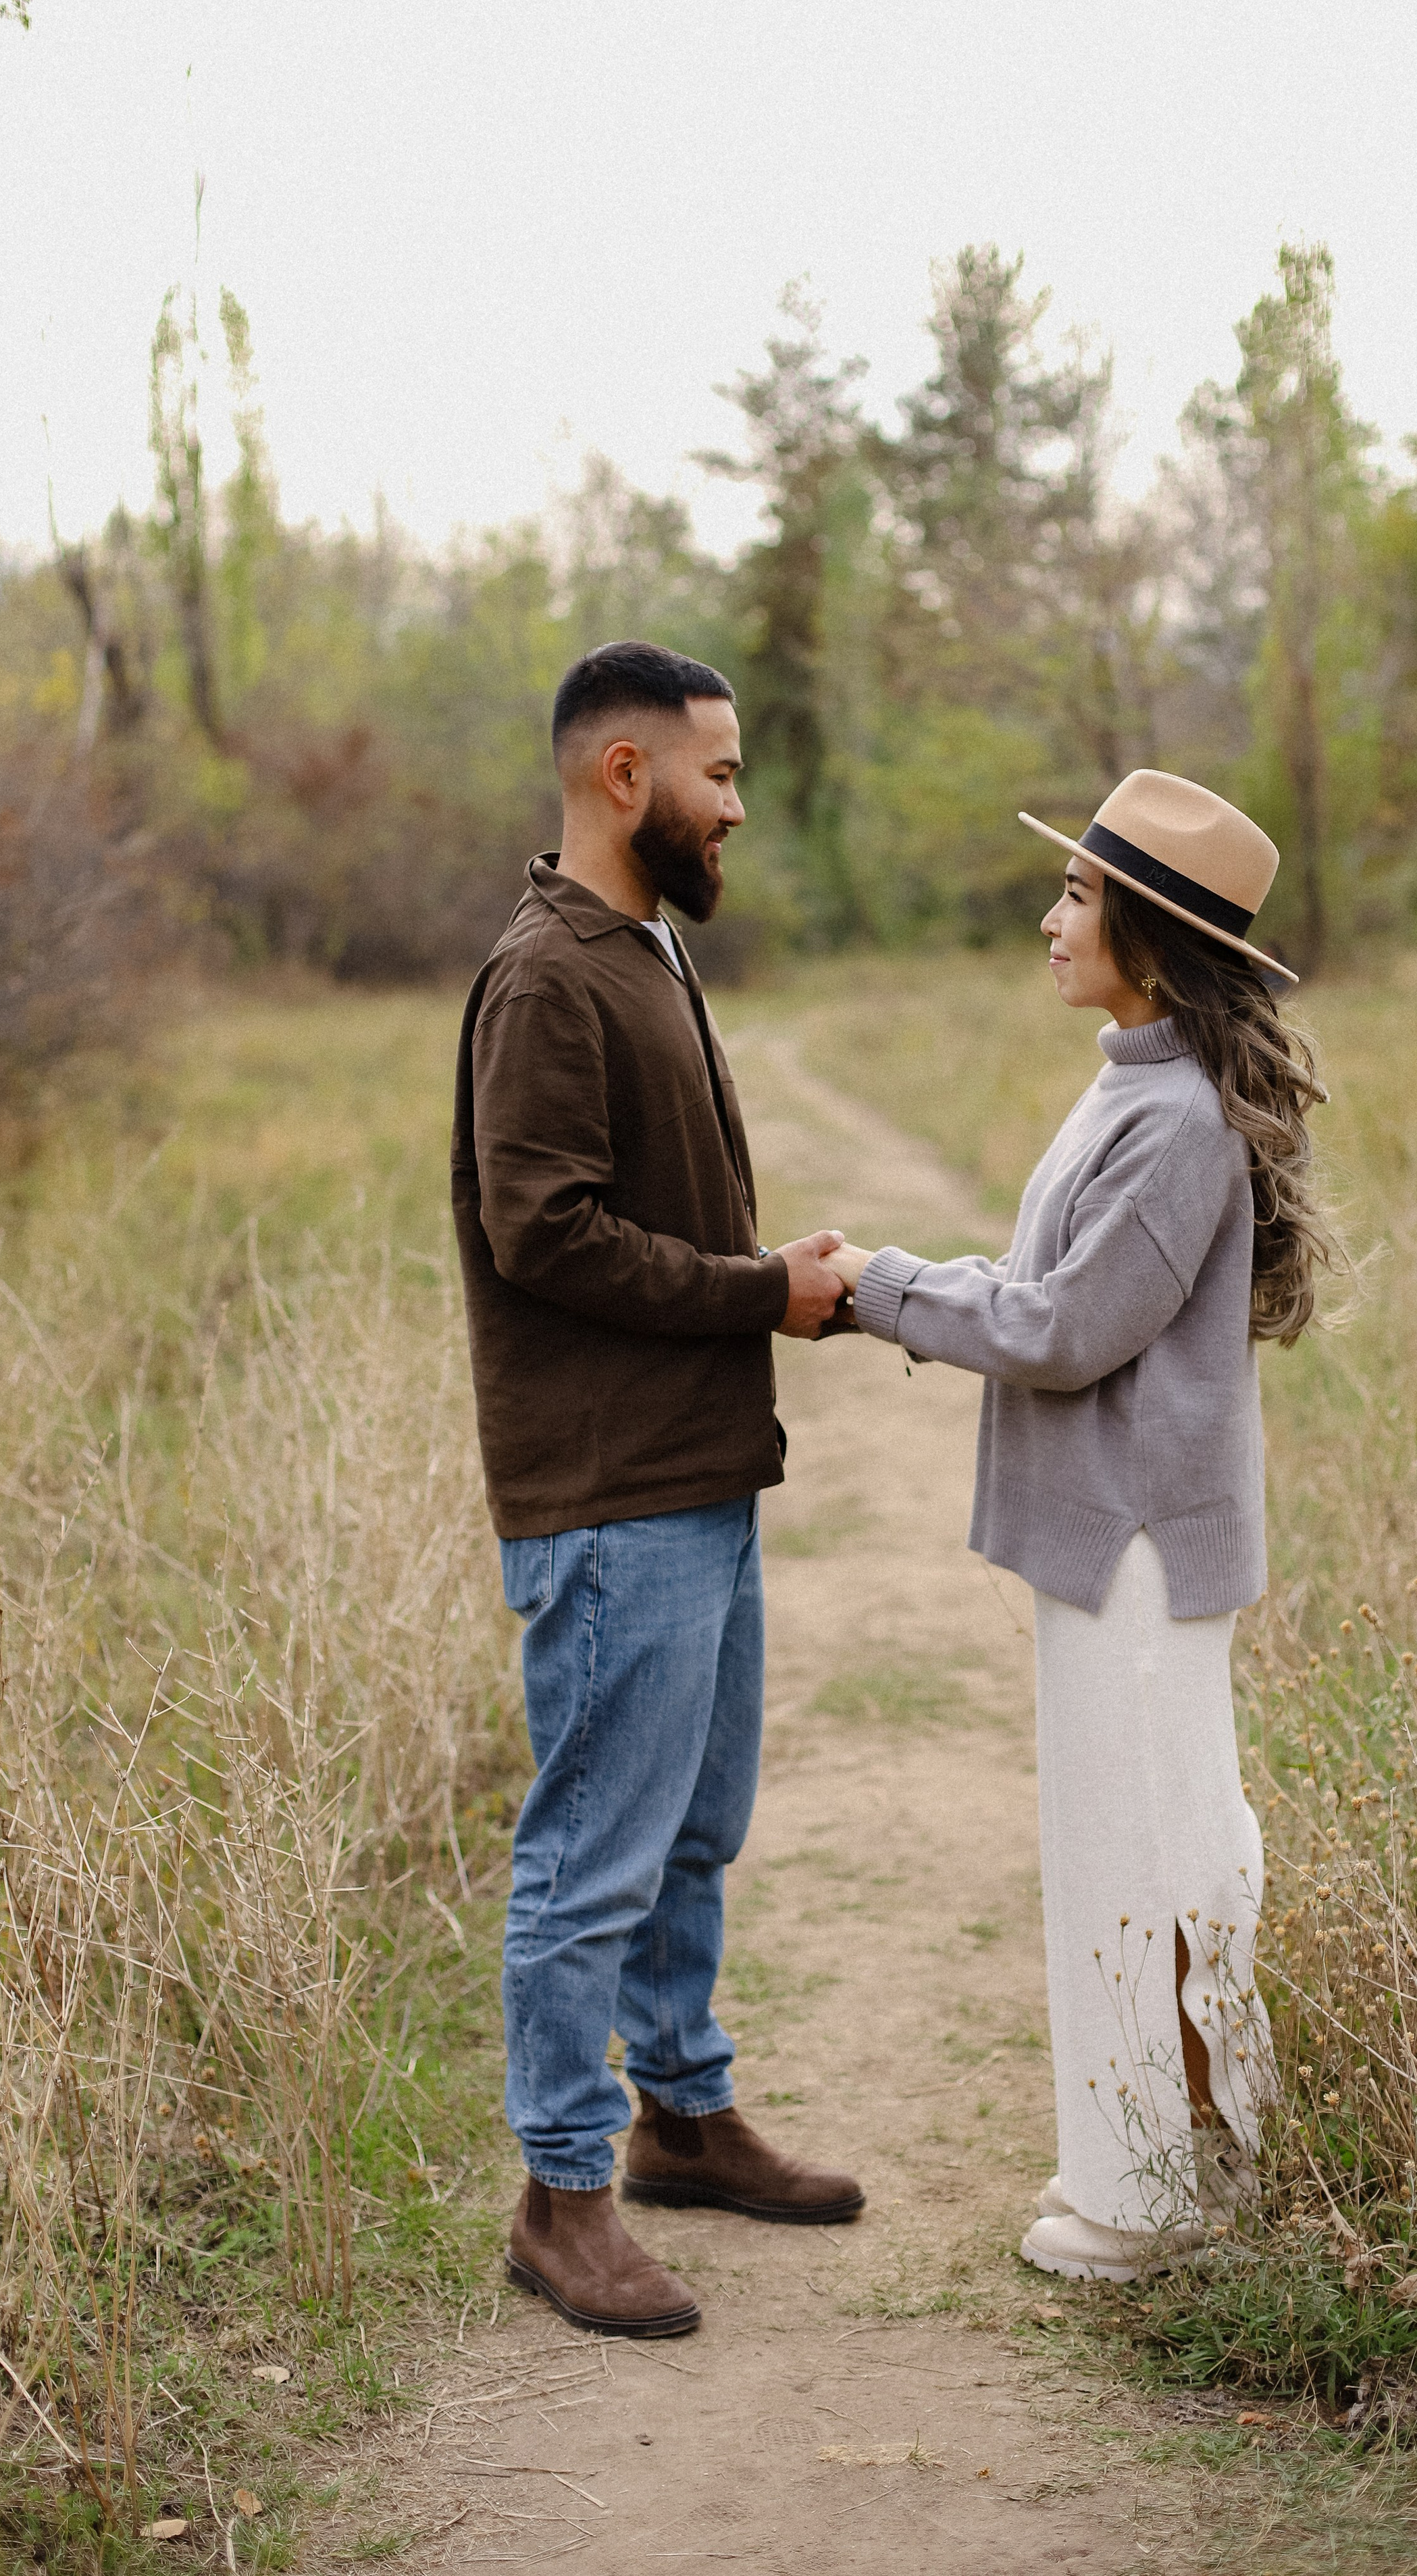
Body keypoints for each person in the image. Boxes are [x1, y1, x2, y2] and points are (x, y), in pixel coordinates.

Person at [825, 770, 1339, 2282]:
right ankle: (1167, 2170)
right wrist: (909, 1286)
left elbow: (1066, 1329)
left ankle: (1157, 2204)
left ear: (1151, 938)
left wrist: (879, 1286)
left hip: (1138, 1545)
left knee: (1154, 1856)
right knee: (1143, 1846)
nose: (1049, 921)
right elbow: (1050, 1285)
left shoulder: (1176, 1121)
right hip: (1111, 1538)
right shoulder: (1133, 1077)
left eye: (1076, 898)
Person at [451, 640, 865, 2341]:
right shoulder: (548, 976)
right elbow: (535, 1229)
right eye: (722, 774)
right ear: (626, 776)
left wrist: (760, 1290)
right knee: (592, 1855)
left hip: (692, 1472)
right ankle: (563, 2194)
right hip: (610, 1496)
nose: (737, 807)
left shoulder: (643, 950)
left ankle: (683, 2115)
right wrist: (757, 1291)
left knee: (692, 1829)